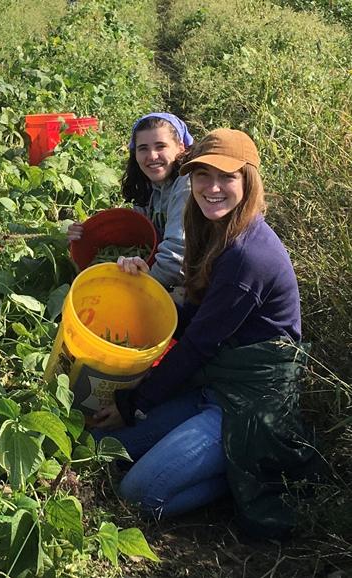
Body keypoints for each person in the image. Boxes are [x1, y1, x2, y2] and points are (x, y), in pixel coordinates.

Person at [91, 129, 318, 539]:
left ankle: (232, 476)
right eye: (202, 176)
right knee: (103, 449)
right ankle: (207, 461)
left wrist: (134, 403)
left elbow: (196, 343)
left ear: (248, 182)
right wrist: (144, 290)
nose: (212, 188)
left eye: (226, 177)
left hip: (244, 402)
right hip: (212, 381)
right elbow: (193, 316)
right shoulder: (210, 228)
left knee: (137, 493)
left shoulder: (249, 256)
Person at [68, 112, 193, 291]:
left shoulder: (187, 183)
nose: (152, 155)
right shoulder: (149, 185)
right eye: (143, 148)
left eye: (160, 146)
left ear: (181, 148)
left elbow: (177, 255)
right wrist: (86, 234)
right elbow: (137, 232)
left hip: (194, 284)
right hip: (168, 276)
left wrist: (136, 286)